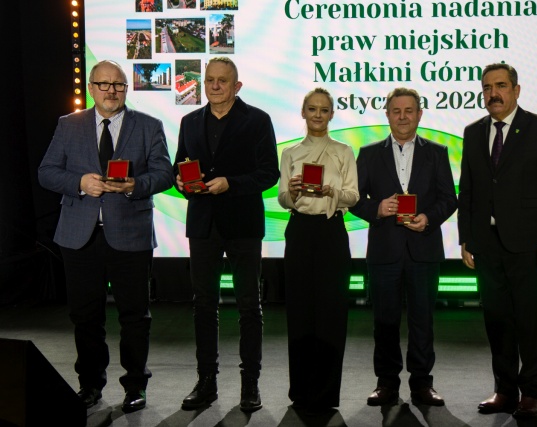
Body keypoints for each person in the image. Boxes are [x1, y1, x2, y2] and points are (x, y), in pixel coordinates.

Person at [38, 60, 174, 413]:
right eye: (104, 84)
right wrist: (80, 183)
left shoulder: (149, 125)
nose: (111, 91)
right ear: (91, 87)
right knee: (85, 317)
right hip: (79, 236)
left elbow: (164, 174)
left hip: (130, 234)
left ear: (126, 89)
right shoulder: (68, 125)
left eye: (118, 85)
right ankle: (89, 385)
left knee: (135, 317)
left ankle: (135, 386)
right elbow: (46, 172)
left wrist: (133, 185)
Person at [457, 63, 537, 418]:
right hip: (486, 244)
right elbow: (468, 190)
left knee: (529, 322)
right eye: (487, 87)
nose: (494, 93)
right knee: (497, 321)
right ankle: (504, 390)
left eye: (501, 86)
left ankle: (530, 393)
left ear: (516, 90)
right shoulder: (473, 132)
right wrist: (466, 238)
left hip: (529, 245)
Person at [173, 57, 279, 412]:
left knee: (249, 306)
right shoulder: (189, 121)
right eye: (210, 80)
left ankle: (251, 384)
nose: (215, 86)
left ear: (237, 86)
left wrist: (230, 183)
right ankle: (206, 382)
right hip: (202, 225)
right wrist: (180, 181)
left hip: (243, 226)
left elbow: (269, 174)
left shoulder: (258, 120)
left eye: (222, 81)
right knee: (203, 305)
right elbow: (179, 165)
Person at [350, 88, 457, 407]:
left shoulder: (437, 153)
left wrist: (428, 218)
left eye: (409, 110)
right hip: (384, 251)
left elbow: (448, 199)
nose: (402, 116)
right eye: (396, 111)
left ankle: (422, 384)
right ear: (387, 115)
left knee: (423, 321)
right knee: (384, 321)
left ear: (419, 114)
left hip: (424, 250)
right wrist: (377, 208)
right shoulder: (369, 153)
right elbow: (354, 198)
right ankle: (386, 383)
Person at [277, 88, 359, 414]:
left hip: (331, 232)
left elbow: (353, 196)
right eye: (312, 109)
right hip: (299, 230)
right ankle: (300, 391)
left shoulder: (343, 151)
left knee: (331, 313)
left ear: (331, 114)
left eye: (324, 110)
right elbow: (283, 198)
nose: (318, 115)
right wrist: (292, 192)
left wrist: (331, 191)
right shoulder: (290, 153)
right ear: (303, 112)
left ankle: (326, 395)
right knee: (299, 311)